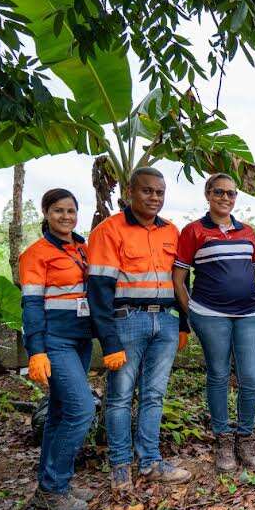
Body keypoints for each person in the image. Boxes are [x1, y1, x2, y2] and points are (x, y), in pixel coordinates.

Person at [88, 167, 191, 493]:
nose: (154, 198)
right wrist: (109, 340)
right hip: (126, 321)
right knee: (119, 397)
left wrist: (183, 324)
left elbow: (181, 282)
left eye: (160, 192)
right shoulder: (109, 231)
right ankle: (120, 465)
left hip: (166, 321)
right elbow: (99, 289)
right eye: (147, 191)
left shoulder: (171, 231)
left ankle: (150, 460)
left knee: (153, 395)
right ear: (130, 191)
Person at [172, 173, 255, 473]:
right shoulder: (193, 231)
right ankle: (223, 439)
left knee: (250, 377)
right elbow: (178, 277)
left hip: (248, 313)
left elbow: (251, 269)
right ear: (208, 194)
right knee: (219, 375)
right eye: (219, 193)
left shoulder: (247, 232)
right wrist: (193, 312)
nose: (226, 198)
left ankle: (245, 436)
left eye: (231, 194)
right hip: (210, 314)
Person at [20, 189, 97, 510]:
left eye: (71, 211)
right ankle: (54, 488)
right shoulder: (36, 254)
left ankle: (49, 485)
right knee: (81, 410)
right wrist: (36, 350)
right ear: (46, 213)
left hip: (81, 338)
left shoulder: (82, 247)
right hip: (55, 340)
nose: (66, 217)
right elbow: (32, 305)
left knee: (59, 412)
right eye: (58, 211)